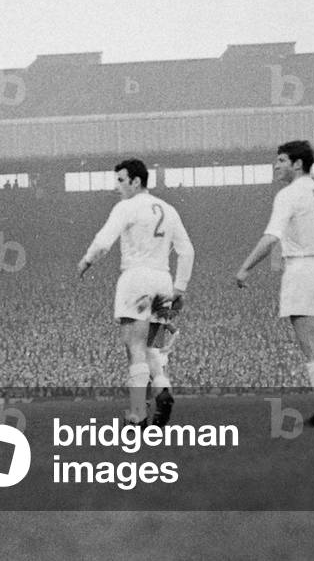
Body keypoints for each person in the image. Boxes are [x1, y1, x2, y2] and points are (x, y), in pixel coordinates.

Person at [236, 140, 314, 428]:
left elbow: (271, 237)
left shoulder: (289, 195)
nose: (276, 166)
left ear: (297, 164)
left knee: (312, 349)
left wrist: (246, 267)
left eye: (281, 160)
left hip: (303, 270)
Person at [78, 159, 194, 427]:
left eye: (121, 180)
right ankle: (162, 388)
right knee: (152, 346)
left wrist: (86, 261)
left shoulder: (127, 207)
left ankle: (137, 414)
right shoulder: (168, 209)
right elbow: (187, 251)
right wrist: (180, 287)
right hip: (163, 280)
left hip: (136, 278)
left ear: (136, 181)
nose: (118, 186)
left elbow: (105, 240)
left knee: (134, 346)